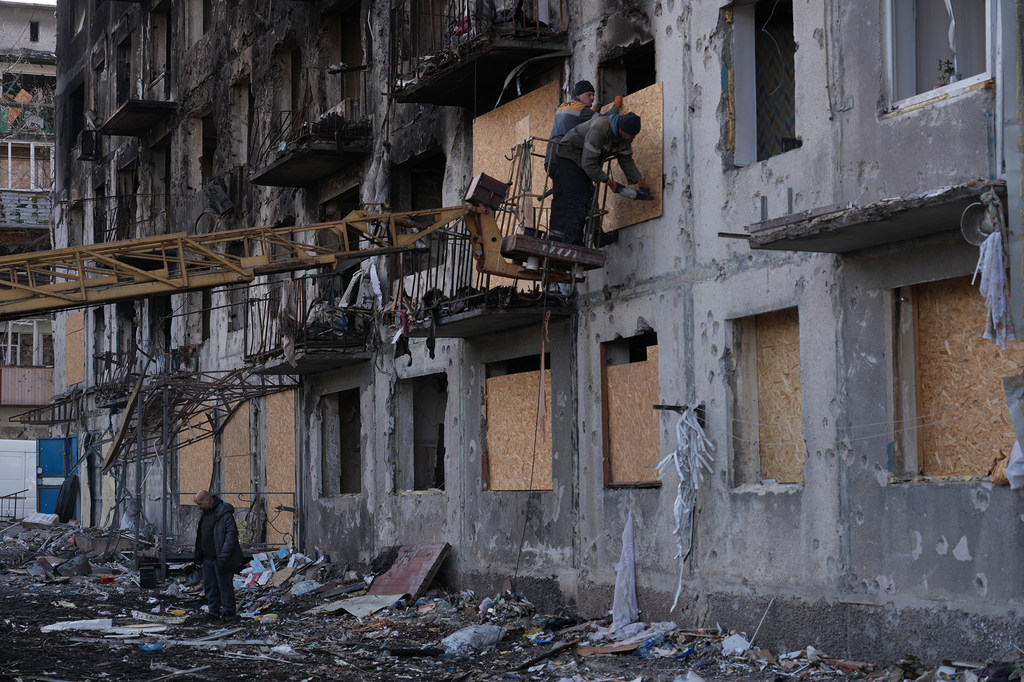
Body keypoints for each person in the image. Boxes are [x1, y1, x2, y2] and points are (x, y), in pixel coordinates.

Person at [549, 111, 650, 246]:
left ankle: (593, 237)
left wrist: (639, 180)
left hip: (583, 162)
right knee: (577, 199)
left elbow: (626, 160)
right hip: (569, 157)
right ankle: (572, 242)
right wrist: (607, 181)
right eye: (631, 136)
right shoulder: (600, 129)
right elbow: (588, 163)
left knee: (588, 197)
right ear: (621, 130)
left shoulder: (625, 138)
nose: (632, 139)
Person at [544, 80, 621, 175]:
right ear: (578, 95)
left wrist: (591, 114)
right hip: (566, 158)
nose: (592, 98)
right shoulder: (581, 109)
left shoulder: (563, 106)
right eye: (589, 95)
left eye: (593, 95)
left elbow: (574, 122)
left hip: (551, 158)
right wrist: (616, 107)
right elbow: (606, 120)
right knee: (577, 188)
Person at [193, 490, 244, 620]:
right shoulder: (205, 515)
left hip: (221, 558)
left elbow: (231, 535)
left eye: (200, 504)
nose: (198, 507)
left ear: (207, 500)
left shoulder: (224, 514)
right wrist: (198, 555)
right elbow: (200, 536)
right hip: (208, 558)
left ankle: (229, 612)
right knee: (210, 587)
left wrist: (224, 554)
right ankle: (213, 612)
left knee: (224, 586)